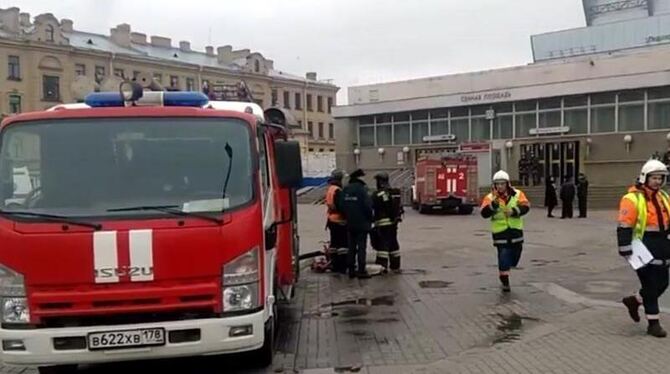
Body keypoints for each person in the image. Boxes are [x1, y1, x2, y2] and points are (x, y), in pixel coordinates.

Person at [618, 159, 670, 338]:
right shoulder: (631, 198)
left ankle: (635, 301)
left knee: (663, 282)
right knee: (650, 284)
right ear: (645, 177)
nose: (658, 181)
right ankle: (653, 323)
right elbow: (625, 224)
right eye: (654, 177)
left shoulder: (663, 197)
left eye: (660, 178)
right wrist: (625, 247)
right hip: (642, 245)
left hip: (663, 244)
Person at [480, 170, 530, 292]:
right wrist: (493, 206)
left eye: (502, 183)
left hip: (515, 231)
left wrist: (514, 211)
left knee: (515, 256)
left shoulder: (518, 194)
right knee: (503, 256)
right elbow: (484, 213)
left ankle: (509, 266)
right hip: (500, 233)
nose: (500, 186)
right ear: (494, 185)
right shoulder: (490, 197)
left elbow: (526, 206)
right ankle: (504, 280)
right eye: (498, 184)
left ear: (507, 184)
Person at [342, 168, 373, 279]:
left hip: (350, 223)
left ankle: (351, 270)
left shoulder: (346, 189)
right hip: (362, 223)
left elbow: (342, 206)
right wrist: (370, 219)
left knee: (351, 247)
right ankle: (361, 270)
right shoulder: (362, 190)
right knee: (361, 247)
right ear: (359, 177)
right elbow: (368, 207)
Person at [371, 172, 404, 273]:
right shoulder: (393, 192)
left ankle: (382, 265)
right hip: (393, 223)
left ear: (380, 181)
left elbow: (373, 208)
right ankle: (395, 264)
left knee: (382, 245)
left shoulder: (378, 194)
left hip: (382, 224)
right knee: (393, 243)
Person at [325, 170, 348, 274]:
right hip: (340, 220)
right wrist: (347, 216)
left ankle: (334, 264)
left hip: (331, 219)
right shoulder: (338, 190)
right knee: (342, 244)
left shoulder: (330, 189)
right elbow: (342, 206)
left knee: (334, 244)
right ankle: (342, 266)